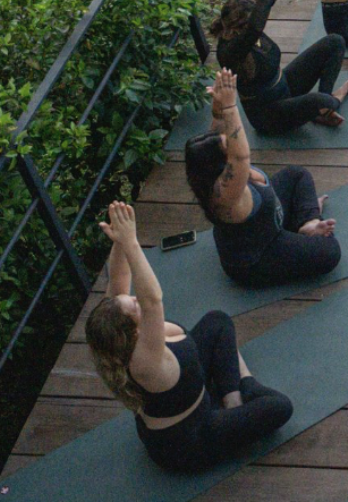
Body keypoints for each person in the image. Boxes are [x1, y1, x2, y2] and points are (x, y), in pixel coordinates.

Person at [85, 201, 294, 472]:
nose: (134, 297)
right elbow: (152, 300)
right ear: (132, 329)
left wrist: (120, 242)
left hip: (190, 392)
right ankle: (246, 385)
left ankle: (231, 397)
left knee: (217, 321)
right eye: (133, 305)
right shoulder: (143, 360)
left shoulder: (119, 330)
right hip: (189, 441)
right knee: (279, 407)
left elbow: (119, 277)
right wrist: (133, 244)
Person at [183, 70, 343, 288]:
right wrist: (231, 107)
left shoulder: (215, 166)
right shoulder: (225, 193)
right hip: (259, 257)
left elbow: (220, 131)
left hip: (268, 221)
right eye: (227, 145)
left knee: (296, 174)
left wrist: (220, 109)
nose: (233, 140)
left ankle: (308, 223)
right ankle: (304, 223)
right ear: (220, 164)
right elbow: (241, 155)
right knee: (330, 252)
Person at [211, 0, 348, 134]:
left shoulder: (245, 27)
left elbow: (266, 3)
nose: (258, 20)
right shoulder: (230, 51)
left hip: (284, 85)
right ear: (240, 27)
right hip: (270, 116)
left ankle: (324, 108)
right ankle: (330, 102)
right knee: (321, 100)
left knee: (335, 42)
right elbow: (255, 26)